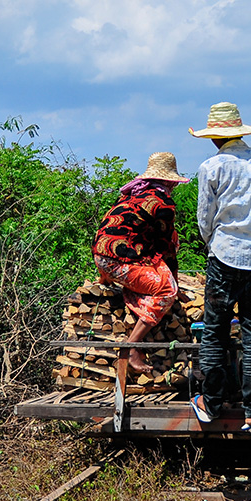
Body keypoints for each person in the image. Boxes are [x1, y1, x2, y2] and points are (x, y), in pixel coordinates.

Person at [188, 102, 251, 430]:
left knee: (215, 332)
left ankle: (211, 403)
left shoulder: (211, 167)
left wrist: (213, 244)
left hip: (224, 256)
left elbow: (205, 218)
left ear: (214, 137)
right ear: (240, 132)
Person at [92, 152, 188, 375]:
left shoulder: (131, 194)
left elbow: (111, 231)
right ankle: (132, 347)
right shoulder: (162, 203)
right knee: (166, 291)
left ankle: (106, 277)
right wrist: (175, 283)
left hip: (101, 257)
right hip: (118, 262)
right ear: (169, 181)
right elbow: (166, 248)